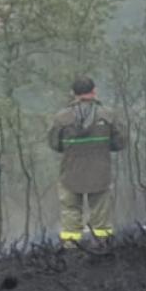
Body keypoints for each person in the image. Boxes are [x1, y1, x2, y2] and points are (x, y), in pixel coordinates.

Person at [47, 76, 126, 244]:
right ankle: (104, 248)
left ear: (73, 93)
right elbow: (120, 142)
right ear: (94, 91)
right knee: (101, 217)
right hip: (100, 172)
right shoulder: (108, 115)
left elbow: (55, 144)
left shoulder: (61, 118)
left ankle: (71, 249)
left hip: (70, 172)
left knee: (70, 213)